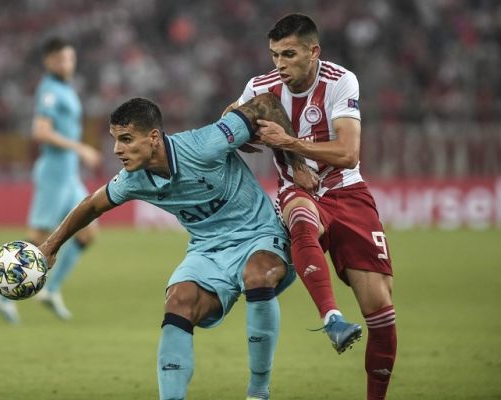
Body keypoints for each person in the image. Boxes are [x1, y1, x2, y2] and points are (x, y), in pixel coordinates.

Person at [37, 94, 299, 400]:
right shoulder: (133, 179)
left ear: (153, 137)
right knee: (179, 300)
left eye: (126, 139)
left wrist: (298, 162)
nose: (117, 150)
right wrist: (49, 246)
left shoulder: (205, 144)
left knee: (257, 275)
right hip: (207, 249)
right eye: (114, 140)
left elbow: (265, 103)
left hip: (259, 235)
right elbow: (92, 205)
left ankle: (258, 391)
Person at [230, 14, 397, 399]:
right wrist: (245, 133)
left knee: (382, 313)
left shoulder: (340, 80)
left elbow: (349, 153)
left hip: (347, 193)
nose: (280, 64)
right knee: (300, 215)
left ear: (313, 51)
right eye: (274, 55)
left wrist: (290, 145)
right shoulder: (262, 86)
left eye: (289, 54)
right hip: (297, 192)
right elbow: (228, 119)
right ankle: (332, 318)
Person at [0, 37, 101, 323]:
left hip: (69, 174)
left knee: (88, 233)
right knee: (39, 239)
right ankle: (2, 297)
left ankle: (50, 290)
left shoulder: (65, 89)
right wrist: (81, 148)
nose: (67, 64)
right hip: (54, 172)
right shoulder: (49, 90)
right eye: (61, 59)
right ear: (49, 61)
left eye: (70, 58)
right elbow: (40, 131)